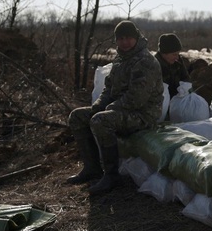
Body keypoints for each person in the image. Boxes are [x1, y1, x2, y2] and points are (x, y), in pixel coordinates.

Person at [67, 20, 163, 195]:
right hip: (121, 109)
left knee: (100, 121)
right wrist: (98, 106)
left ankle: (111, 175)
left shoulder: (145, 61)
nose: (124, 42)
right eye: (120, 39)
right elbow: (108, 88)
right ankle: (92, 167)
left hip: (143, 114)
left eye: (128, 38)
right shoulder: (121, 59)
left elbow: (137, 99)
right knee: (77, 116)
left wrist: (109, 109)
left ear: (136, 38)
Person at [156, 33, 190, 98]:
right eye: (174, 54)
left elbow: (186, 78)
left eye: (178, 54)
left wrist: (185, 88)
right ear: (164, 53)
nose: (177, 58)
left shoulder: (178, 62)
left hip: (178, 100)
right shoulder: (154, 65)